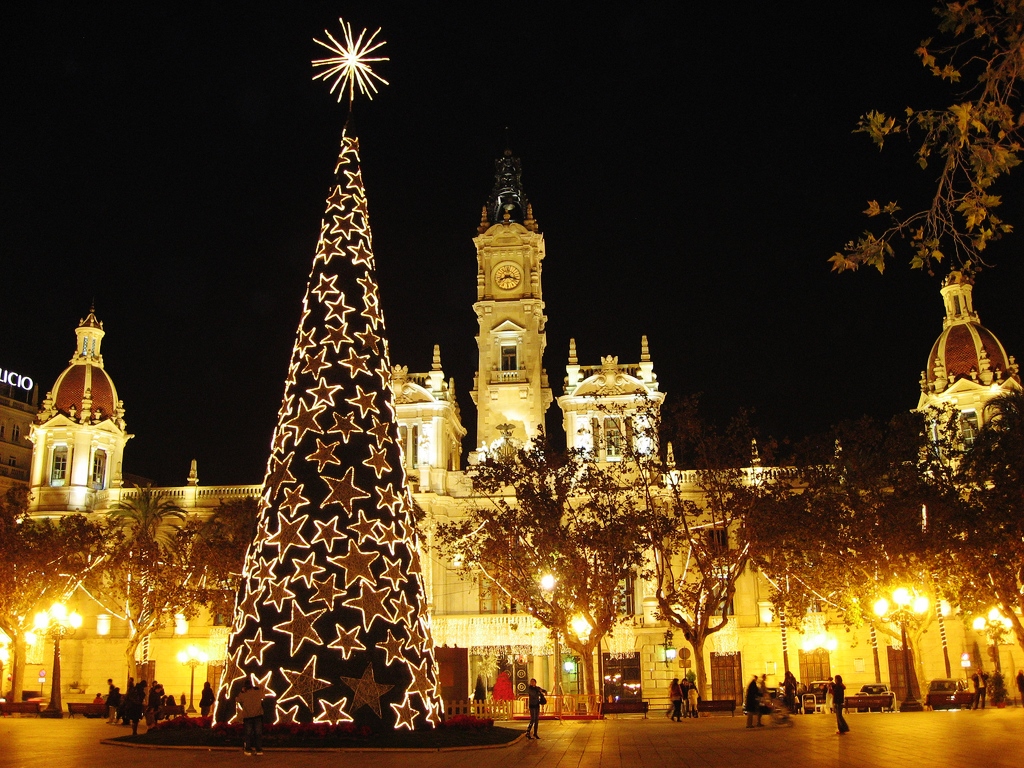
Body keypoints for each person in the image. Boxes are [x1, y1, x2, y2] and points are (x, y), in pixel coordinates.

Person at [235, 679, 267, 756]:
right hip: (257, 715)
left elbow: (237, 699)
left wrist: (242, 692)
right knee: (258, 733)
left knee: (248, 733)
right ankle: (258, 749)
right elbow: (263, 696)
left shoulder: (244, 693)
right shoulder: (257, 691)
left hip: (248, 716)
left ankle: (248, 749)